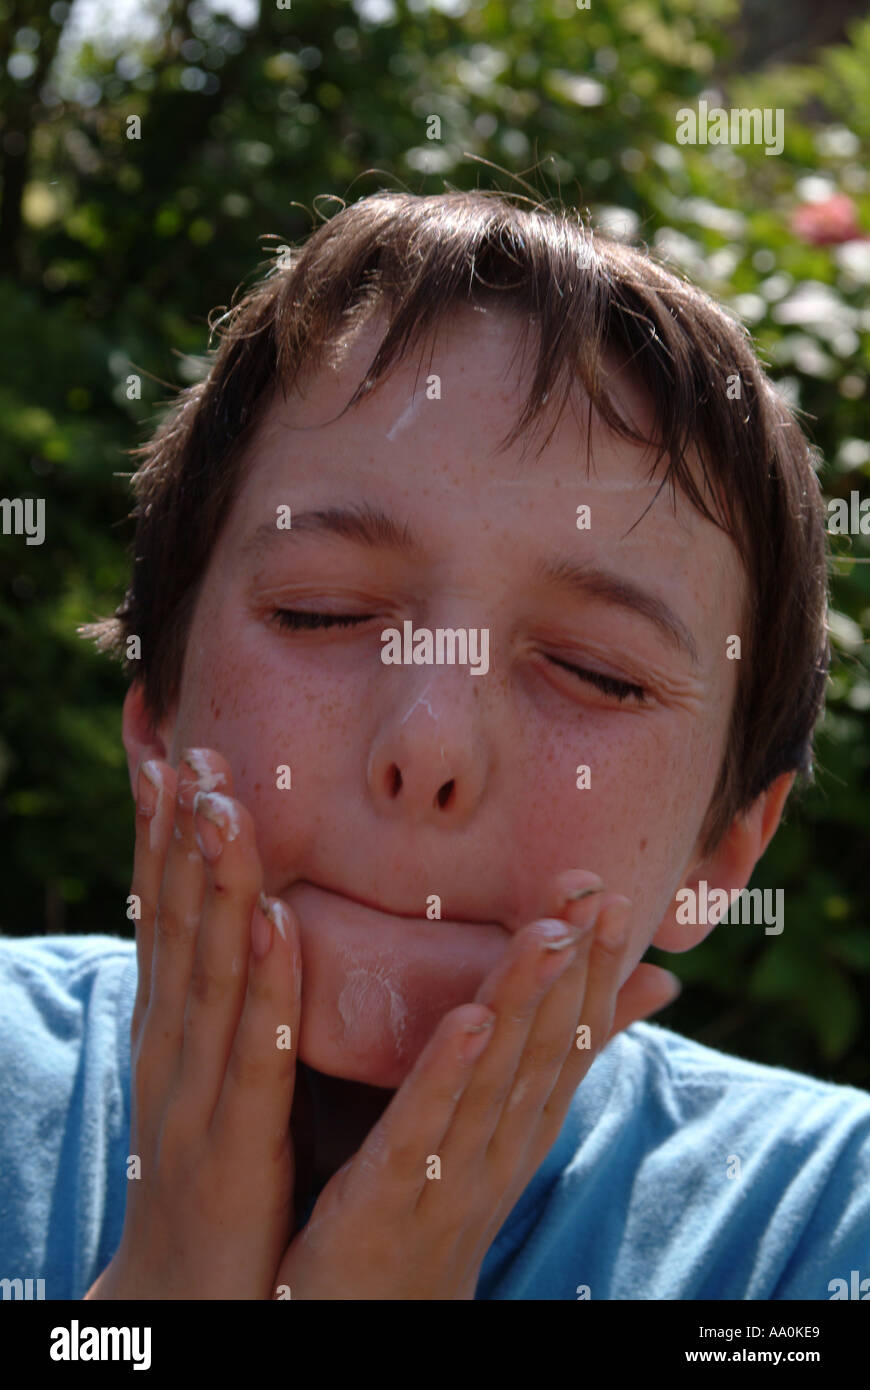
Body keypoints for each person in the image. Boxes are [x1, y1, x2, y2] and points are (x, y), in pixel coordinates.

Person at [2, 190, 867, 1300]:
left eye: (597, 673)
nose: (430, 746)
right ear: (157, 715)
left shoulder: (822, 1229)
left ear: (721, 860)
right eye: (322, 612)